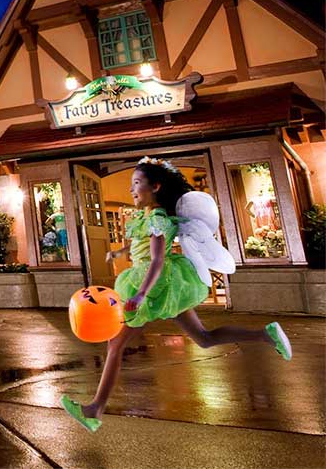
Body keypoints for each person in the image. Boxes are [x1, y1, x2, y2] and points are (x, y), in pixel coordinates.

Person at [61, 157, 292, 433]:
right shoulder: (148, 216)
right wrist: (120, 253)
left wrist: (142, 294)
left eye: (137, 183)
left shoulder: (158, 217)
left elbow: (157, 259)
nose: (132, 189)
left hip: (156, 285)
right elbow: (141, 246)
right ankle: (266, 335)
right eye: (131, 184)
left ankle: (94, 409)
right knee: (204, 339)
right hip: (166, 286)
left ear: (156, 186)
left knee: (114, 345)